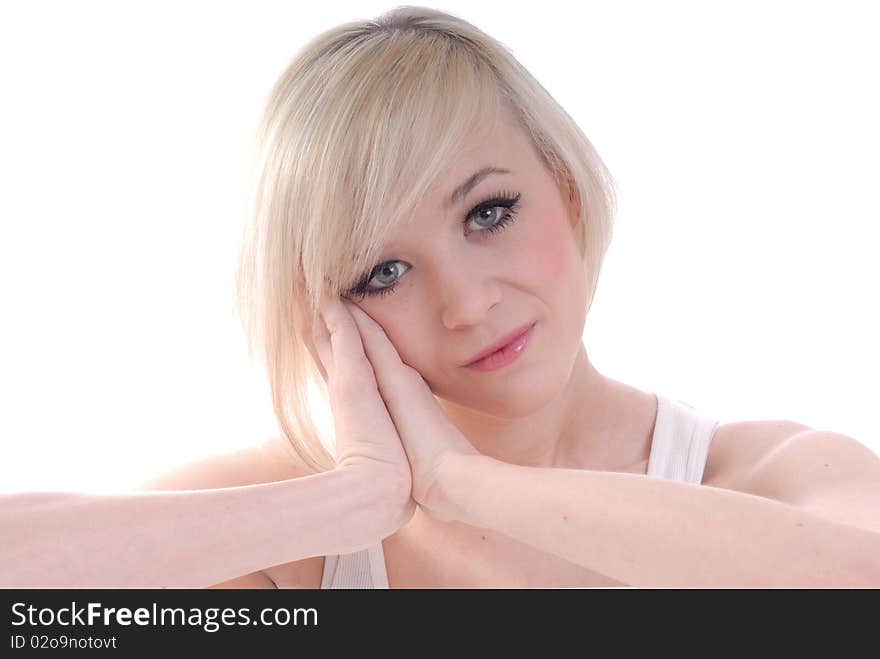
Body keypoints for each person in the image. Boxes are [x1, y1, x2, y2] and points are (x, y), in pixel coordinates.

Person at [3, 6, 879, 589]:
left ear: (567, 191)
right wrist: (354, 502)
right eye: (381, 272)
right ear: (326, 315)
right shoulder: (297, 542)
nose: (465, 303)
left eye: (489, 212)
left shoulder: (771, 477)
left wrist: (467, 483)